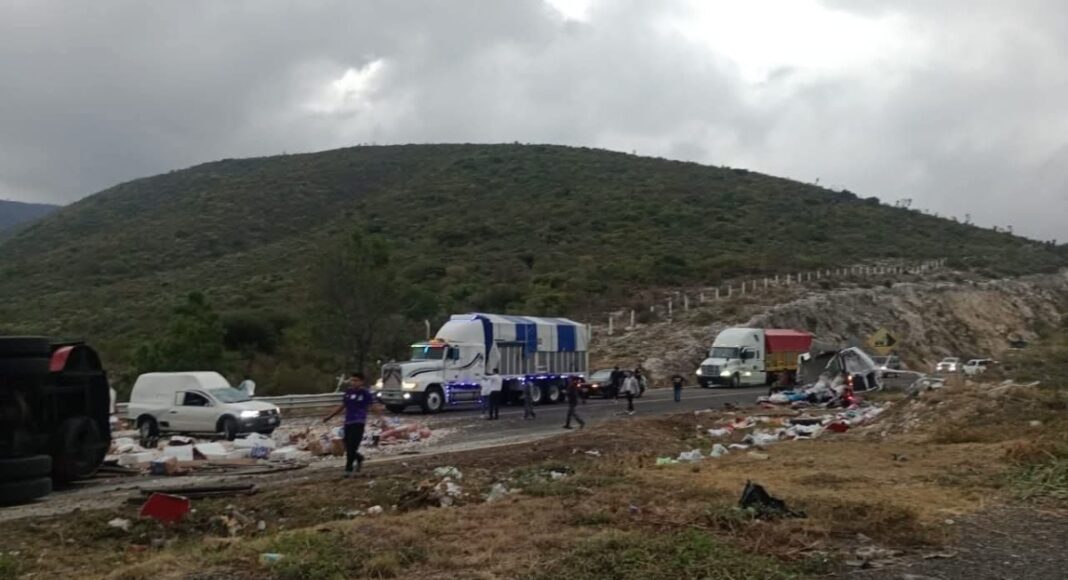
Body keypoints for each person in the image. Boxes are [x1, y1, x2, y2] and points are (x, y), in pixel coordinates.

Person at [323, 372, 378, 478]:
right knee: (347, 446)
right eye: (352, 380)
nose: (353, 382)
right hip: (348, 422)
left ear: (361, 382)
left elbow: (373, 406)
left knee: (353, 446)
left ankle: (348, 469)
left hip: (359, 422)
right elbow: (342, 406)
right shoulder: (348, 392)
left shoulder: (365, 393)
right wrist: (329, 416)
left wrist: (381, 418)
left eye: (356, 380)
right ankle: (359, 458)